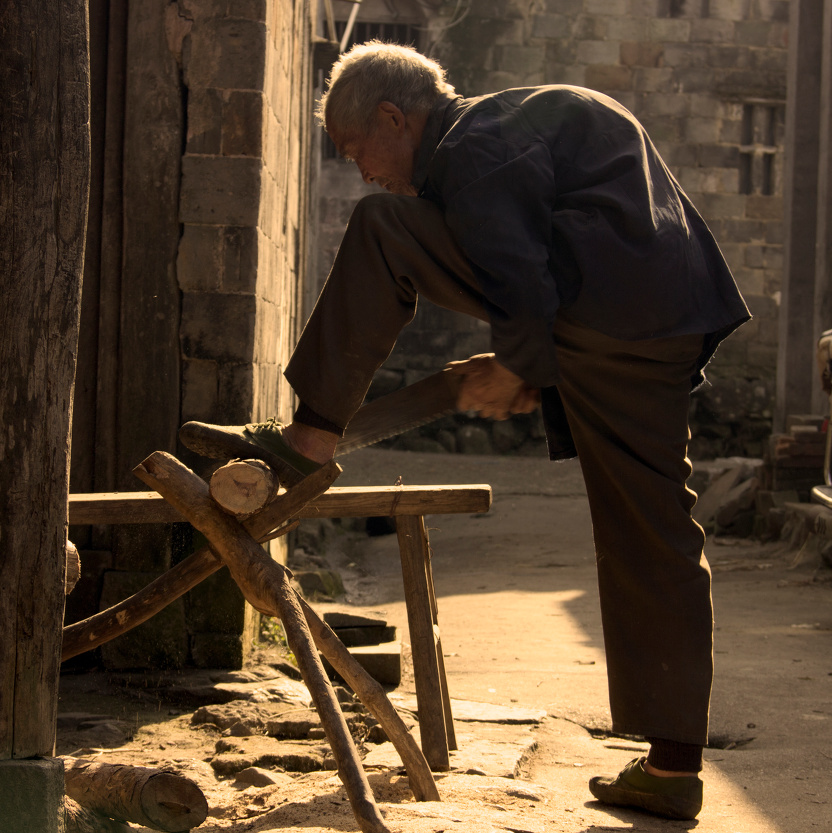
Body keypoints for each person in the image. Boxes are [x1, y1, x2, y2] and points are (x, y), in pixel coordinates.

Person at [179, 41, 750, 821]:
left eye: (359, 151)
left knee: (383, 227)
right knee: (652, 528)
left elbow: (520, 272)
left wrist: (519, 365)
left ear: (394, 116)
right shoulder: (514, 127)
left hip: (611, 310)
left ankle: (310, 441)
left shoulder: (478, 147)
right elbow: (533, 261)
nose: (364, 170)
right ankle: (674, 767)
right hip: (657, 322)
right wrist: (530, 358)